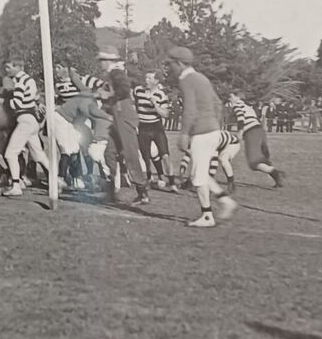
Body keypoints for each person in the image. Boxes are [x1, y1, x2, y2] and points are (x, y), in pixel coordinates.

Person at [164, 47, 236, 228]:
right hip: (213, 131)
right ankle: (226, 201)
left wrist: (184, 133)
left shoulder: (186, 79)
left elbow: (189, 109)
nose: (169, 68)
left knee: (197, 177)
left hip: (201, 133)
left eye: (171, 64)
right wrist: (214, 124)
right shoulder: (201, 78)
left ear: (179, 63)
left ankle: (207, 216)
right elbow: (218, 103)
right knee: (201, 173)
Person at [74, 46, 149, 206]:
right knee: (109, 153)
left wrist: (108, 96)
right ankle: (111, 192)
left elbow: (124, 90)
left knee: (129, 154)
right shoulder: (109, 74)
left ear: (109, 60)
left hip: (123, 117)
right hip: (114, 119)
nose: (100, 63)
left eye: (102, 60)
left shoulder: (116, 72)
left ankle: (142, 192)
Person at [0, 59, 53, 197]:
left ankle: (16, 185)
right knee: (38, 155)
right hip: (31, 121)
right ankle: (55, 180)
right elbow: (35, 97)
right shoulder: (29, 80)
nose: (6, 70)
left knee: (10, 154)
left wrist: (3, 102)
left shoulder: (20, 81)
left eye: (9, 67)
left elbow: (16, 104)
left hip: (25, 121)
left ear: (18, 66)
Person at [228, 93, 285, 188]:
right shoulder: (247, 106)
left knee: (254, 162)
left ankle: (276, 173)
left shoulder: (237, 105)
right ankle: (277, 180)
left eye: (231, 96)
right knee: (262, 158)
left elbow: (241, 118)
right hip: (260, 131)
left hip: (251, 132)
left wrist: (240, 132)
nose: (229, 99)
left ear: (238, 97)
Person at [133, 72, 178, 192]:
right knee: (145, 156)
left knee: (165, 155)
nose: (146, 80)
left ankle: (172, 183)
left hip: (156, 127)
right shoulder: (138, 90)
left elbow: (166, 114)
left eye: (149, 78)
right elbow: (133, 102)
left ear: (156, 81)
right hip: (143, 127)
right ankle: (149, 178)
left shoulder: (161, 95)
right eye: (146, 77)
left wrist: (156, 105)